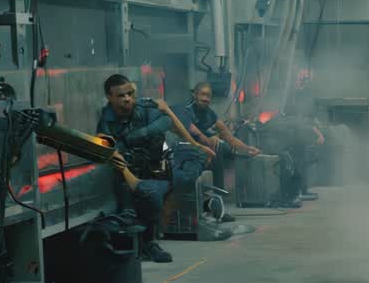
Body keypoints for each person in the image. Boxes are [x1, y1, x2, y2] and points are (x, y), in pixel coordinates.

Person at [96, 74, 212, 263]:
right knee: (149, 195)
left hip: (158, 164)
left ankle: (169, 197)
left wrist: (137, 135)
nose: (127, 99)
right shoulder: (107, 120)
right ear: (109, 97)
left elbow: (165, 122)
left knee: (195, 157)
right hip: (131, 172)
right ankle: (149, 243)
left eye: (130, 94)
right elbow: (110, 149)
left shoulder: (143, 106)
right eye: (121, 96)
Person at [177, 82, 261, 221]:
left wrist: (247, 149)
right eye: (203, 94)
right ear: (194, 94)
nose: (206, 99)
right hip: (186, 149)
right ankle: (218, 204)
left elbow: (229, 137)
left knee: (230, 149)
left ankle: (240, 195)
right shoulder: (186, 110)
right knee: (219, 147)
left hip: (205, 149)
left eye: (208, 96)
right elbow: (196, 136)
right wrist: (213, 138)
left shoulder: (210, 114)